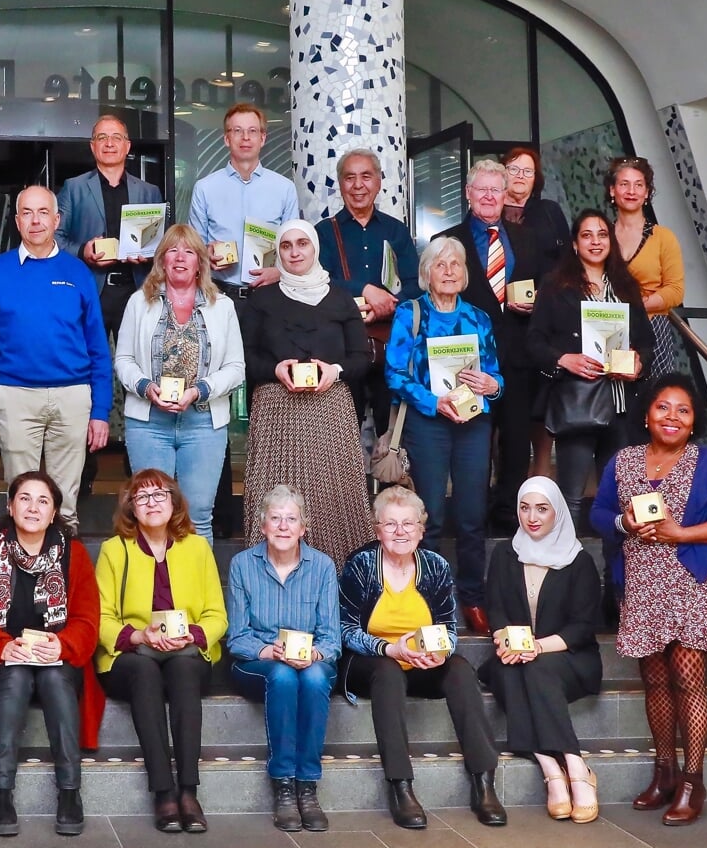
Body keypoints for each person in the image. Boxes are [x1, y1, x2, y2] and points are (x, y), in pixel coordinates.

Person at [591, 378, 707, 826]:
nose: (672, 417)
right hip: (642, 581)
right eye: (663, 407)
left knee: (687, 679)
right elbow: (598, 514)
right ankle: (665, 773)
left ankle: (694, 781)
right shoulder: (623, 461)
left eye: (682, 410)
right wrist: (623, 521)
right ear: (647, 414)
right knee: (655, 681)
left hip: (694, 583)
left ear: (694, 419)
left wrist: (682, 533)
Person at [0, 186, 111, 532]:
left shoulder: (78, 272)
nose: (36, 221)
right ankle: (23, 579)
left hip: (73, 396)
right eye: (27, 213)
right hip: (17, 396)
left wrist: (100, 412)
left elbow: (98, 348)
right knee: (22, 499)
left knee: (64, 504)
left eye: (43, 212)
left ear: (57, 219)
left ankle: (58, 578)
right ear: (17, 221)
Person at [338, 486, 505, 830]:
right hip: (370, 663)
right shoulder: (361, 565)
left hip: (419, 662)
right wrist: (390, 648)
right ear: (377, 529)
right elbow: (344, 630)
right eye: (391, 524)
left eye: (408, 524)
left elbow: (449, 630)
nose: (400, 532)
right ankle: (401, 786)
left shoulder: (436, 566)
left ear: (421, 529)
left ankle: (484, 783)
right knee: (388, 671)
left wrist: (438, 652)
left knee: (458, 668)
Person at [0, 471, 101, 838]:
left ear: (54, 511)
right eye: (24, 498)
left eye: (43, 501)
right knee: (17, 675)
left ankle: (70, 792)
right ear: (10, 507)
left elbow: (88, 619)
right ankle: (1, 791)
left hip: (58, 661)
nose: (33, 507)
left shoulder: (73, 556)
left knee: (55, 678)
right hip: (4, 664)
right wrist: (1, 646)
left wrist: (62, 644)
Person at [382, 235, 504, 632]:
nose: (449, 271)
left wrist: (492, 384)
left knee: (472, 516)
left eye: (456, 264)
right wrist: (434, 402)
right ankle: (429, 597)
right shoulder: (409, 313)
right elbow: (394, 374)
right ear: (427, 274)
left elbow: (496, 373)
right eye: (440, 265)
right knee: (429, 515)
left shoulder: (479, 318)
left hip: (473, 424)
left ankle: (472, 597)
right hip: (429, 422)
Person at [96, 469, 227, 833]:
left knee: (184, 669)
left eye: (160, 495)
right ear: (131, 508)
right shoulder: (114, 550)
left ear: (174, 502)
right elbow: (102, 617)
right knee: (144, 671)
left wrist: (193, 636)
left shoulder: (197, 547)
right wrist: (139, 636)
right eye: (142, 497)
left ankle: (188, 790)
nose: (152, 503)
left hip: (186, 653)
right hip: (134, 656)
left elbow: (218, 614)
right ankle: (163, 791)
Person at [238, 220, 373, 560]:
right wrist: (275, 369)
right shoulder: (262, 300)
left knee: (331, 499)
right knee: (277, 499)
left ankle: (338, 583)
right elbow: (245, 358)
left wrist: (335, 371)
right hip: (276, 413)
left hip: (330, 410)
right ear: (278, 253)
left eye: (302, 244)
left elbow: (362, 357)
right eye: (286, 246)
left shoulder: (341, 300)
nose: (295, 252)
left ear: (315, 248)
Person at [442, 157, 564, 520]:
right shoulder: (447, 242)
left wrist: (537, 303)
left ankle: (509, 511)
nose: (490, 196)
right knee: (471, 437)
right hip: (465, 360)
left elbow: (550, 288)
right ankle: (470, 510)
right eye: (482, 189)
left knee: (515, 439)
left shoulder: (530, 240)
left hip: (518, 356)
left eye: (496, 189)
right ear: (468, 194)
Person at [113, 224, 245, 542]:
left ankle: (193, 593)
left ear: (200, 261)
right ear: (161, 261)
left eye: (188, 251)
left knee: (197, 515)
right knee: (148, 514)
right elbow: (123, 361)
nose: (180, 257)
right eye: (172, 250)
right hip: (148, 423)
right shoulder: (138, 302)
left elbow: (236, 368)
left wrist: (200, 390)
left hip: (203, 423)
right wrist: (146, 386)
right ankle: (153, 592)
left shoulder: (223, 307)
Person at [484, 478, 603, 823]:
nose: (532, 517)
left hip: (569, 657)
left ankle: (571, 764)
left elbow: (582, 627)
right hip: (515, 655)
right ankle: (554, 766)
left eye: (541, 508)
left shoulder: (577, 560)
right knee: (510, 669)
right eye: (524, 507)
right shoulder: (506, 554)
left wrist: (536, 647)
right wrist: (506, 641)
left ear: (557, 512)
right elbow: (496, 610)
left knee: (533, 669)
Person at [528, 209, 653, 532]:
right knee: (570, 495)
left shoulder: (626, 286)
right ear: (574, 243)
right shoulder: (556, 285)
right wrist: (563, 360)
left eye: (602, 234)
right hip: (578, 403)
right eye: (587, 235)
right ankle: (569, 574)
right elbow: (535, 341)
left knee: (620, 497)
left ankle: (617, 578)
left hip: (622, 404)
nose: (595, 242)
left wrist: (638, 363)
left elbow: (646, 342)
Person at [226, 485, 341, 833]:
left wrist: (313, 655)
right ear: (262, 526)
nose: (283, 526)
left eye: (291, 519)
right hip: (257, 661)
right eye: (275, 518)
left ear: (303, 528)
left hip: (311, 662)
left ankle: (308, 785)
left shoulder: (322, 567)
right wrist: (268, 652)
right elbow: (237, 637)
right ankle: (284, 785)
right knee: (283, 676)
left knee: (316, 677)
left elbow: (331, 639)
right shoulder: (243, 565)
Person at [316, 147, 420, 436]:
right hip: (341, 346)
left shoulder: (397, 231)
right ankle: (345, 482)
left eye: (366, 176)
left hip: (391, 344)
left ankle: (392, 482)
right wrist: (364, 290)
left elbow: (415, 285)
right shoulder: (324, 232)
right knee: (342, 429)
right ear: (340, 184)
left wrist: (387, 304)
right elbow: (319, 282)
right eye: (350, 178)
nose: (358, 185)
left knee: (394, 429)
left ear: (378, 181)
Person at [494, 148, 568, 485]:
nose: (520, 176)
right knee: (502, 410)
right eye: (514, 169)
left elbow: (567, 262)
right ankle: (501, 481)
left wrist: (545, 297)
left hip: (542, 322)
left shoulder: (549, 213)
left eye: (528, 171)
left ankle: (539, 479)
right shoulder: (488, 210)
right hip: (497, 323)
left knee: (538, 406)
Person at [56, 113, 162, 332]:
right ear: (93, 146)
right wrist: (82, 252)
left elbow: (165, 244)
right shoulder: (73, 188)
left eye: (116, 137)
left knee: (135, 362)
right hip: (90, 290)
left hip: (137, 290)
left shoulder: (149, 192)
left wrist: (152, 252)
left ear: (127, 146)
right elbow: (55, 238)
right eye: (102, 137)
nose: (109, 143)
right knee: (90, 363)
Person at [187, 103, 301, 299]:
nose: (246, 137)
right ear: (226, 138)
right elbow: (193, 247)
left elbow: (295, 246)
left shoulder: (285, 188)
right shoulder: (204, 188)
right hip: (219, 294)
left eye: (252, 131)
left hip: (270, 295)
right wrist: (206, 254)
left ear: (262, 138)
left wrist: (280, 272)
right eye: (237, 131)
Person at [607, 157, 686, 377]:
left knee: (653, 399)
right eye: (624, 184)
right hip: (608, 327)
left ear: (647, 192)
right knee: (614, 398)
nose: (631, 190)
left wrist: (637, 306)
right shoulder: (601, 236)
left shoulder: (663, 237)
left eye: (639, 184)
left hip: (652, 327)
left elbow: (675, 291)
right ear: (612, 190)